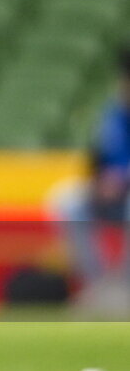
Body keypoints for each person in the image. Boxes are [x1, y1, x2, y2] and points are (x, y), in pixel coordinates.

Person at [55, 47, 130, 312]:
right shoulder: (113, 112)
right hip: (111, 194)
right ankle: (98, 287)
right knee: (67, 200)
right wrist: (99, 183)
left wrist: (121, 179)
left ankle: (125, 287)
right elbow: (100, 157)